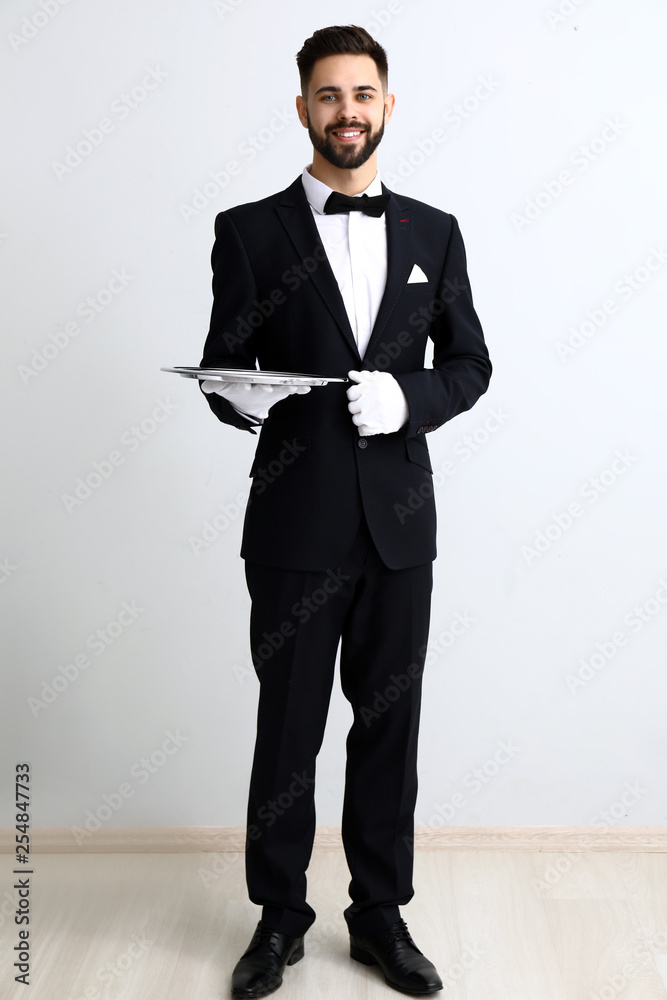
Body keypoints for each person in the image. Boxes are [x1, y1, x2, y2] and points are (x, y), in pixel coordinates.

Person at [199, 24, 492, 998]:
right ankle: (278, 917)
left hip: (400, 526)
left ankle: (379, 915)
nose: (347, 112)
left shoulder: (435, 233)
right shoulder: (246, 229)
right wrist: (235, 396)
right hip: (292, 525)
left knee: (389, 725)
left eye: (362, 94)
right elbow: (222, 363)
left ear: (387, 106)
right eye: (328, 96)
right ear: (303, 110)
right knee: (287, 730)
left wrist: (411, 399)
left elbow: (469, 364)